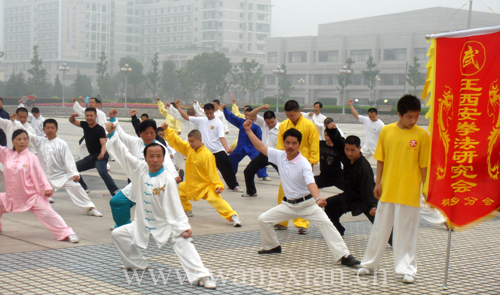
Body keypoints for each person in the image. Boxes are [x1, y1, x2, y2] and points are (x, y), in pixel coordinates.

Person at [105, 126, 217, 290]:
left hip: (166, 224)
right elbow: (124, 155)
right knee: (118, 234)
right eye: (151, 156)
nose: (155, 160)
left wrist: (183, 227)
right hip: (143, 224)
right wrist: (112, 134)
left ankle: (202, 276)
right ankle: (137, 263)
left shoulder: (168, 180)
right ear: (145, 158)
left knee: (183, 243)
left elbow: (175, 206)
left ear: (163, 158)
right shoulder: (139, 170)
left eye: (159, 156)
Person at [243, 122, 360, 266]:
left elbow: (311, 183)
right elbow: (261, 147)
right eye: (287, 142)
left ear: (299, 144)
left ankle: (344, 256)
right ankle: (272, 246)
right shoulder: (279, 156)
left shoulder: (304, 163)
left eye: (294, 143)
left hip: (308, 204)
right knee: (263, 220)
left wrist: (318, 198)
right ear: (284, 142)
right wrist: (248, 130)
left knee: (327, 225)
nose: (290, 146)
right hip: (288, 205)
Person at [357, 95, 430, 284]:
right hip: (388, 189)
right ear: (399, 114)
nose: (413, 121)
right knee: (380, 228)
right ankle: (370, 263)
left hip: (410, 191)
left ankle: (407, 269)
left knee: (407, 231)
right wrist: (378, 182)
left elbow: (424, 165)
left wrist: (426, 187)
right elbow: (381, 159)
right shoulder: (387, 131)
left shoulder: (422, 135)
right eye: (409, 117)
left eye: (416, 116)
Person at [0, 129, 79, 243]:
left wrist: (46, 188)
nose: (22, 141)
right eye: (19, 139)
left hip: (30, 196)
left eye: (25, 139)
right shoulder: (6, 154)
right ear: (12, 141)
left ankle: (68, 233)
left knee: (48, 213)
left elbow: (40, 175)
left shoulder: (32, 157)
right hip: (11, 196)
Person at [14, 118, 103, 216]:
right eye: (47, 128)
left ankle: (90, 208)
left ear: (56, 129)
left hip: (61, 175)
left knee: (75, 186)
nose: (50, 130)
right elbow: (25, 134)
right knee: (30, 187)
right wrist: (15, 121)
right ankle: (30, 205)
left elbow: (69, 161)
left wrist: (74, 174)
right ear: (43, 129)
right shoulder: (39, 141)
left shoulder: (62, 144)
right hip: (43, 177)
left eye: (52, 128)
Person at [107, 109, 179, 229]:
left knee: (159, 210)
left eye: (152, 132)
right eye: (146, 133)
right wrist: (113, 120)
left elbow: (168, 165)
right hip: (138, 183)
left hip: (155, 185)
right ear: (140, 133)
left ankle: (170, 229)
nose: (149, 136)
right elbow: (121, 135)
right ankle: (124, 227)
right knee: (117, 202)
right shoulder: (135, 142)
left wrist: (174, 176)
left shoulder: (160, 147)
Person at [163, 123, 242, 226]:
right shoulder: (189, 149)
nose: (190, 143)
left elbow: (212, 172)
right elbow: (178, 142)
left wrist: (217, 185)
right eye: (189, 141)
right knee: (179, 190)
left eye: (192, 141)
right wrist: (167, 130)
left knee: (217, 200)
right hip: (191, 185)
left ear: (199, 140)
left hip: (205, 186)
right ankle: (187, 210)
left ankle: (233, 216)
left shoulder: (207, 155)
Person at [324, 123, 380, 237]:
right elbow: (338, 142)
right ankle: (338, 231)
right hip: (349, 196)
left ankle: (394, 240)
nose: (349, 153)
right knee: (330, 205)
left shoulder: (364, 167)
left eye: (353, 150)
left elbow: (368, 188)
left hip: (364, 199)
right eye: (347, 149)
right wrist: (331, 130)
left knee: (378, 220)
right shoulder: (346, 156)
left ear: (359, 149)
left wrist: (372, 206)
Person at [174, 101, 243, 192]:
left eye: (210, 113)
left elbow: (222, 138)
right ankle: (196, 186)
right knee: (198, 169)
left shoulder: (218, 122)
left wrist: (227, 148)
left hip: (218, 150)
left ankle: (234, 185)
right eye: (207, 113)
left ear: (213, 111)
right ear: (204, 112)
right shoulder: (202, 120)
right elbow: (186, 117)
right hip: (205, 152)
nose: (209, 115)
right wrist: (178, 107)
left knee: (227, 167)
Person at [274, 100, 319, 234]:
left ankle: (301, 223)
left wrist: (312, 162)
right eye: (287, 116)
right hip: (287, 165)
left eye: (292, 115)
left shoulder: (309, 126)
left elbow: (315, 146)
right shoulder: (283, 126)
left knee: (302, 195)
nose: (289, 118)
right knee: (283, 193)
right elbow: (280, 146)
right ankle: (281, 221)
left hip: (303, 165)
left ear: (299, 112)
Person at [69, 108, 119, 196]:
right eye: (87, 116)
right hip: (91, 157)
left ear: (95, 116)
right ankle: (84, 187)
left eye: (91, 116)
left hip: (101, 157)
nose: (89, 118)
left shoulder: (99, 129)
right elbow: (72, 121)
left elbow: (104, 144)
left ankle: (115, 191)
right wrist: (73, 115)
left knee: (102, 172)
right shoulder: (85, 125)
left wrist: (102, 154)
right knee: (73, 168)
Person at [221, 104, 268, 181]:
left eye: (250, 115)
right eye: (246, 115)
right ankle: (231, 173)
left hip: (252, 148)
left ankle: (263, 175)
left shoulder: (256, 125)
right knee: (231, 158)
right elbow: (232, 117)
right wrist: (225, 109)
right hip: (241, 147)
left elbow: (260, 137)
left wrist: (261, 147)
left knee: (259, 159)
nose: (248, 117)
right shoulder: (241, 122)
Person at [242, 104, 280, 197]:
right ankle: (251, 191)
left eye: (272, 122)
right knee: (248, 171)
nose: (270, 124)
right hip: (264, 154)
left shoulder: (281, 127)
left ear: (275, 118)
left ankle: (290, 195)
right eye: (268, 122)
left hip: (277, 155)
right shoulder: (263, 123)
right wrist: (262, 107)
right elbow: (251, 114)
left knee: (285, 176)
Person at [315, 125, 344, 191]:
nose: (328, 138)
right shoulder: (320, 144)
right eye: (326, 135)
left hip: (338, 177)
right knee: (306, 184)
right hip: (324, 177)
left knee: (354, 191)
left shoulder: (339, 147)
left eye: (329, 135)